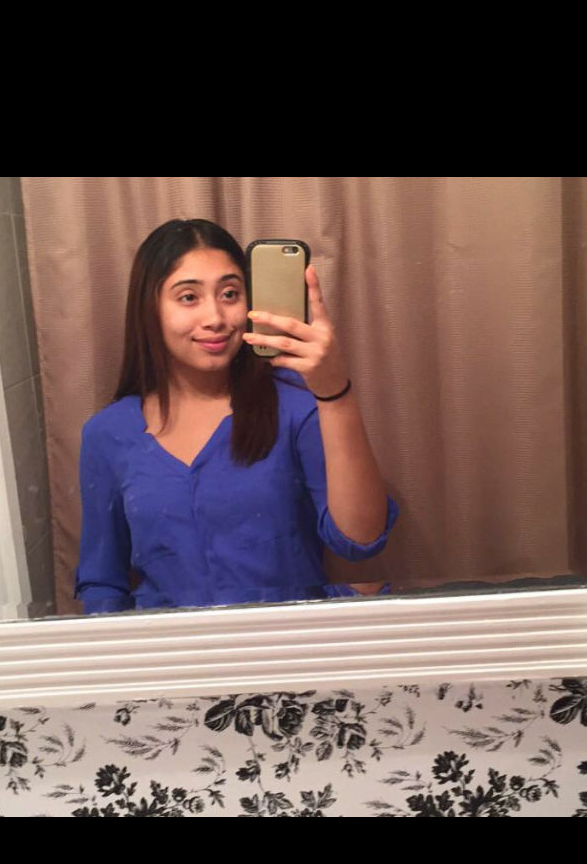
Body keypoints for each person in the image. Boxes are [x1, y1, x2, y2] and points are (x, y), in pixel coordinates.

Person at [75, 219, 398, 613]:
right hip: (171, 646)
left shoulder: (295, 405)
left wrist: (335, 392)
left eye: (230, 294)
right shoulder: (107, 434)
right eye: (188, 297)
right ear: (150, 309)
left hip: (287, 639)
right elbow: (101, 579)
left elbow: (360, 540)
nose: (215, 317)